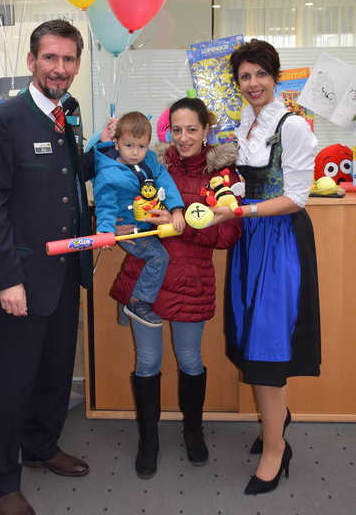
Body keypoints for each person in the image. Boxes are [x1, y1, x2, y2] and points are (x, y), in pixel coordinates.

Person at [0, 19, 116, 515]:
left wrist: (107, 154)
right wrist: (7, 278)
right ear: (31, 61)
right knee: (11, 381)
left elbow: (68, 179)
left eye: (69, 59)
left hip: (65, 273)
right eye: (50, 58)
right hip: (20, 280)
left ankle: (40, 446)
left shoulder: (67, 117)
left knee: (55, 372)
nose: (60, 68)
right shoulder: (6, 120)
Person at [110, 97, 242, 479]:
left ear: (206, 131)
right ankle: (148, 440)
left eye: (192, 129)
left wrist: (184, 221)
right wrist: (125, 225)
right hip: (146, 282)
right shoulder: (149, 165)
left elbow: (230, 231)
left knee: (189, 361)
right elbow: (124, 208)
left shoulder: (223, 176)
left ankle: (192, 431)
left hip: (191, 282)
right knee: (148, 363)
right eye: (177, 130)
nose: (184, 138)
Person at [211, 39, 321, 495]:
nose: (253, 84)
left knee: (269, 344)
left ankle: (276, 448)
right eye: (244, 77)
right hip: (250, 240)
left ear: (275, 78)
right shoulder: (246, 126)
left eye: (260, 74)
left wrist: (242, 211)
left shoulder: (292, 127)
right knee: (251, 336)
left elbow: (296, 197)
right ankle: (276, 425)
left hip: (279, 243)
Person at [93, 111, 185, 327]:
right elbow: (105, 206)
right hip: (129, 230)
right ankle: (138, 302)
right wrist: (106, 230)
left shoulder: (151, 163)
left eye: (141, 147)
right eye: (129, 146)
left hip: (149, 226)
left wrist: (177, 209)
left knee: (159, 257)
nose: (135, 152)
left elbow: (167, 183)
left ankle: (131, 303)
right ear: (116, 144)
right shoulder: (108, 174)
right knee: (159, 257)